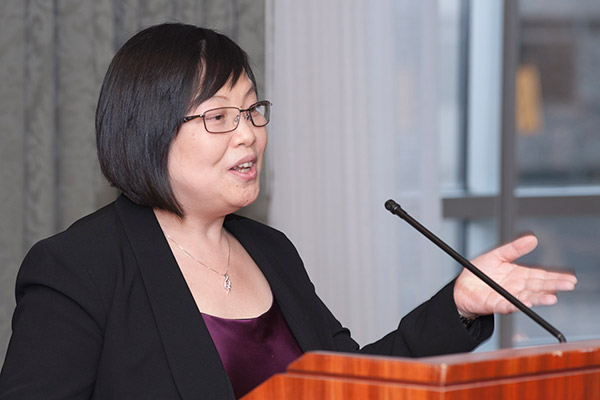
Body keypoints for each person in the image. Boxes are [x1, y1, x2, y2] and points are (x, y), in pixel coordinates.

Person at [0, 23, 577, 400]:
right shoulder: (79, 268)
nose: (248, 136)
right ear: (146, 131)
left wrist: (458, 304)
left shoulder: (270, 250)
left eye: (254, 112)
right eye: (218, 117)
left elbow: (350, 380)